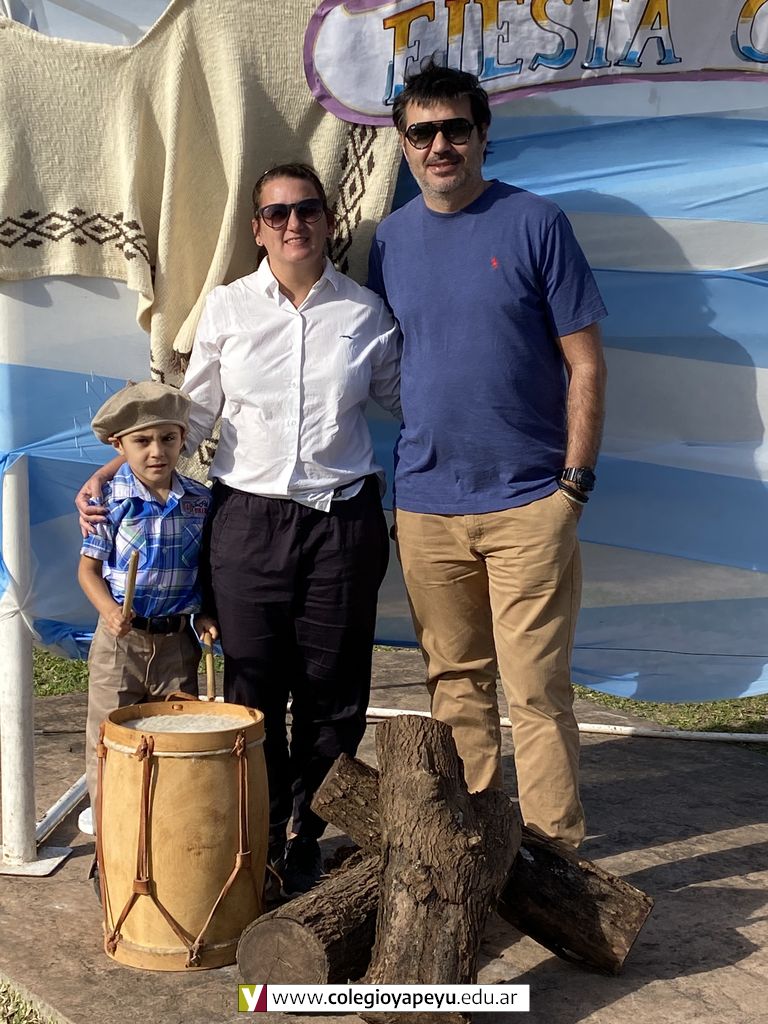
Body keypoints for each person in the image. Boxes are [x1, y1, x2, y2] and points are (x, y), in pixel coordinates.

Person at [79, 163, 401, 895]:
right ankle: (256, 832)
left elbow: (410, 399)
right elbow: (188, 418)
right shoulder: (226, 308)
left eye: (307, 209)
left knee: (334, 689)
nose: (294, 224)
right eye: (277, 213)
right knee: (253, 685)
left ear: (328, 221)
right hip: (248, 522)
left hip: (342, 523)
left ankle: (305, 835)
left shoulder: (365, 312)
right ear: (257, 228)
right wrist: (113, 470)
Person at [367, 64, 608, 848]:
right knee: (456, 688)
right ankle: (476, 856)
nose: (440, 145)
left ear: (481, 135)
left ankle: (552, 858)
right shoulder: (388, 241)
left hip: (531, 502)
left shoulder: (537, 223)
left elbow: (586, 364)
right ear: (404, 144)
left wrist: (573, 485)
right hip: (426, 504)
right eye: (422, 132)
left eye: (455, 129)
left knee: (536, 691)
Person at [78, 381, 217, 833]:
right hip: (121, 645)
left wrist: (205, 613)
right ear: (119, 445)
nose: (156, 452)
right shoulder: (107, 501)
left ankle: (163, 843)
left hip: (177, 645)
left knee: (173, 744)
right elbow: (88, 572)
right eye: (142, 441)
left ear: (182, 439)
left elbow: (204, 569)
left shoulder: (200, 501)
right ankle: (111, 845)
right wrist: (108, 610)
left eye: (167, 438)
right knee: (110, 745)